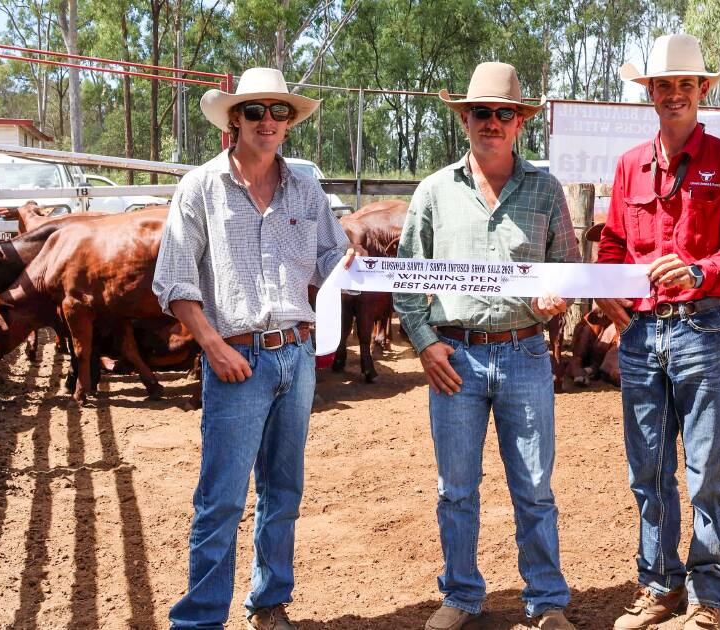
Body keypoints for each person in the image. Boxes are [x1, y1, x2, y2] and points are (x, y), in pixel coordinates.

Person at [153, 67, 352, 630]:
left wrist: (363, 265)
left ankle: (269, 601)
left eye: (279, 112)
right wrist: (213, 345)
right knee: (221, 498)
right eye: (257, 111)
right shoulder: (200, 187)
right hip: (236, 356)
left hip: (295, 352)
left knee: (283, 488)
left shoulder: (306, 188)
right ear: (235, 119)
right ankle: (200, 619)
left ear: (289, 122)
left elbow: (331, 260)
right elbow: (173, 279)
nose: (268, 122)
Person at [393, 62, 581, 630]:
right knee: (456, 487)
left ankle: (546, 601)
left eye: (504, 113)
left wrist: (558, 301)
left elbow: (568, 271)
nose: (492, 123)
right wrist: (425, 343)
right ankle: (460, 595)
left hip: (524, 353)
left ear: (521, 122)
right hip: (456, 356)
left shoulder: (545, 190)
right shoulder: (433, 192)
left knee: (534, 486)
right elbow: (407, 278)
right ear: (465, 120)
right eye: (481, 113)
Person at [595, 35, 720, 630]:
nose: (674, 94)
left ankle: (707, 597)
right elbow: (614, 245)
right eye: (663, 85)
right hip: (643, 335)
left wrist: (701, 271)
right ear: (649, 94)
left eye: (685, 85)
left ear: (703, 92)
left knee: (706, 470)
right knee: (647, 467)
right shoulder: (628, 167)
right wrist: (612, 292)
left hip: (704, 329)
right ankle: (659, 584)